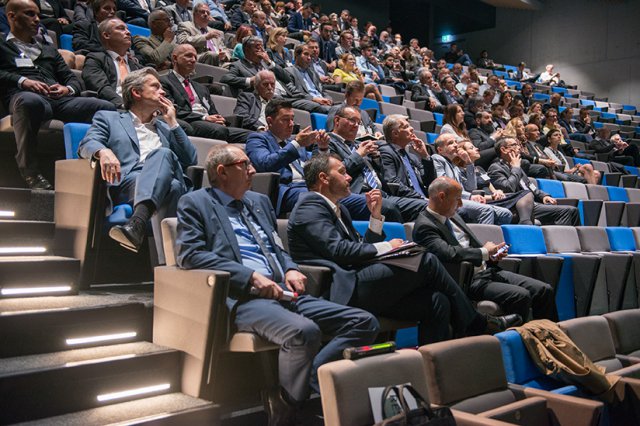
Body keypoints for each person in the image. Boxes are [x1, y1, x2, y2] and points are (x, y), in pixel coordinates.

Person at [175, 144, 378, 425]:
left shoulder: (259, 201)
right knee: (304, 331)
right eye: (245, 165)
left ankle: (292, 396)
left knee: (364, 322)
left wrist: (291, 267)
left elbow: (277, 247)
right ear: (222, 172)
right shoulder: (195, 202)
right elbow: (190, 254)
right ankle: (293, 411)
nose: (253, 170)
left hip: (284, 291)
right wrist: (249, 276)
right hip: (243, 297)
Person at [287, 154, 521, 344]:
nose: (349, 177)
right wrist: (387, 246)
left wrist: (375, 218)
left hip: (358, 279)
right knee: (425, 260)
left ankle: (434, 367)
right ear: (323, 178)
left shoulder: (340, 209)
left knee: (437, 300)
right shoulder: (310, 204)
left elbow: (360, 249)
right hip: (340, 289)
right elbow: (339, 251)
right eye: (342, 172)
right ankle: (477, 323)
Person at [78, 68, 197, 254]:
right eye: (155, 87)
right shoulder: (109, 118)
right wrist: (103, 151)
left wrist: (173, 123)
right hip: (128, 183)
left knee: (163, 156)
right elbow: (87, 144)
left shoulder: (166, 128)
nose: (163, 91)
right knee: (173, 186)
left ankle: (137, 223)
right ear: (136, 92)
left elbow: (190, 159)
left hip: (164, 175)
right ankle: (172, 257)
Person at [1, 0, 116, 189]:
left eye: (38, 15)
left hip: (59, 100)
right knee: (29, 102)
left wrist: (67, 89)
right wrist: (23, 81)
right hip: (26, 96)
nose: (37, 19)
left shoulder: (48, 49)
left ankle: (100, 168)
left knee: (106, 107)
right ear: (12, 16)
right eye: (30, 14)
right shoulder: (2, 44)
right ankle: (30, 172)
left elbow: (72, 79)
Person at [413, 177, 557, 322]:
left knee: (543, 290)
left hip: (487, 271)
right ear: (442, 197)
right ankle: (520, 336)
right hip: (467, 280)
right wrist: (484, 252)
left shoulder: (453, 216)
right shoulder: (425, 226)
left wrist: (491, 255)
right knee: (521, 295)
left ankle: (551, 334)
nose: (461, 204)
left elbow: (470, 246)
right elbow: (449, 253)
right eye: (458, 199)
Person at [246, 99, 377, 220]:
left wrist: (323, 148)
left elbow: (314, 168)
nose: (291, 124)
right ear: (269, 121)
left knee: (367, 200)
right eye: (285, 120)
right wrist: (296, 144)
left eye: (292, 119)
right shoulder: (258, 139)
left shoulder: (294, 142)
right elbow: (264, 164)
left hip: (309, 186)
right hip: (287, 190)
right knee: (365, 202)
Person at [327, 105, 427, 222]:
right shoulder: (327, 142)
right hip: (357, 193)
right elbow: (334, 173)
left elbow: (380, 174)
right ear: (337, 120)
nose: (356, 125)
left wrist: (376, 159)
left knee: (425, 207)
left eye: (359, 122)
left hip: (382, 193)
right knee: (389, 207)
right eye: (352, 120)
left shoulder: (358, 145)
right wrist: (359, 155)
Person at [161, 44, 251, 143]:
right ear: (175, 58)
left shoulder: (201, 87)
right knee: (219, 130)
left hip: (211, 123)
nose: (193, 60)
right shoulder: (164, 82)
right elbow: (172, 109)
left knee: (253, 136)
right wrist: (204, 117)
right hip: (191, 121)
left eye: (195, 57)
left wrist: (218, 119)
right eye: (189, 56)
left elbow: (213, 111)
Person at [488, 137, 580, 226]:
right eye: (514, 145)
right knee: (567, 211)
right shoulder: (496, 167)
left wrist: (543, 196)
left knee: (573, 211)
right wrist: (516, 168)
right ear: (504, 150)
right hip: (518, 206)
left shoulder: (517, 166)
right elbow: (508, 188)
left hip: (532, 203)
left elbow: (530, 186)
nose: (519, 147)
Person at [431, 134, 513, 225]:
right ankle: (482, 235)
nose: (455, 145)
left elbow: (471, 187)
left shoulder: (455, 167)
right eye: (450, 143)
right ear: (440, 150)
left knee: (506, 213)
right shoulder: (437, 158)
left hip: (462, 199)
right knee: (487, 210)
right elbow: (444, 185)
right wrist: (470, 196)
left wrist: (469, 162)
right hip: (450, 200)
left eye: (456, 142)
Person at [82, 17, 142, 109]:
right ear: (106, 35)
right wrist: (125, 105)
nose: (128, 32)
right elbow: (101, 88)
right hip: (115, 107)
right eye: (121, 29)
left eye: (127, 29)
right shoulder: (95, 59)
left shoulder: (137, 66)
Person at [284, 43, 332, 113]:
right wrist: (314, 99)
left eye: (310, 56)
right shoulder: (289, 71)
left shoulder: (313, 73)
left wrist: (328, 99)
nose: (309, 58)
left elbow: (323, 90)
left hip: (321, 100)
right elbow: (293, 92)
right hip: (304, 100)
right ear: (297, 55)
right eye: (306, 54)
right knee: (325, 108)